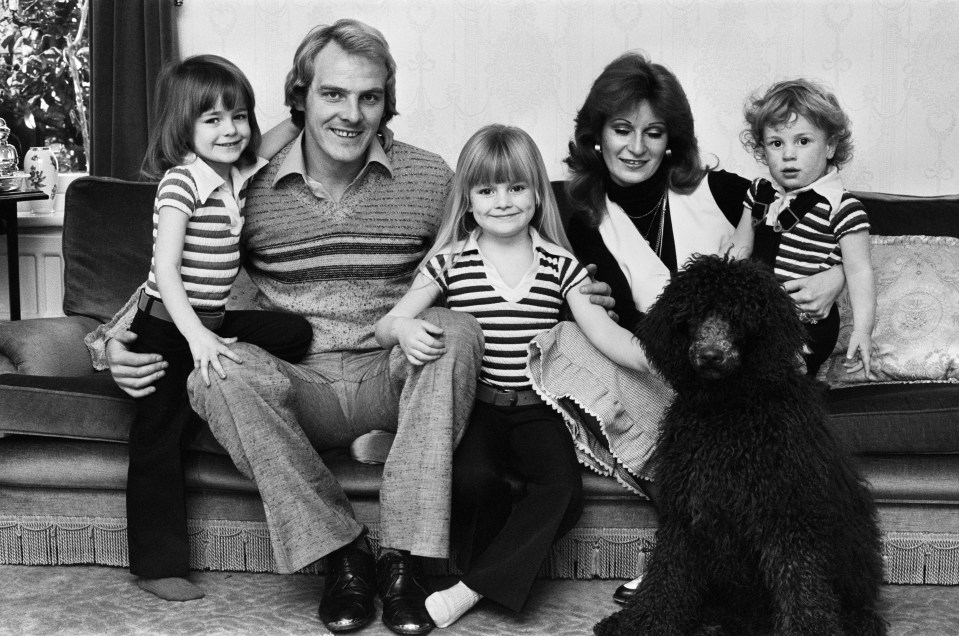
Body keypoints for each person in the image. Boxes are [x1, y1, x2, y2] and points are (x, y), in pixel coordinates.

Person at [88, 19, 614, 635]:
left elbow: (498, 242)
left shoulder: (427, 178)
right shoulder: (245, 181)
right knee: (217, 376)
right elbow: (172, 270)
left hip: (394, 373)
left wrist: (575, 292)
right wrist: (109, 344)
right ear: (300, 96)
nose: (351, 113)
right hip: (298, 381)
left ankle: (403, 559)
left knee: (457, 331)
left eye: (369, 97)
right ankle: (344, 554)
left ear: (387, 104)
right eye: (333, 94)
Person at [527, 51, 849, 603]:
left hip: (757, 359)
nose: (636, 147)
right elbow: (591, 307)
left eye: (654, 132)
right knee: (572, 343)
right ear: (596, 135)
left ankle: (707, 564)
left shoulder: (723, 189)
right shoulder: (574, 212)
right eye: (622, 129)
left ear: (672, 139)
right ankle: (694, 554)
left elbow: (817, 229)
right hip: (665, 363)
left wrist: (837, 276)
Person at [375, 125, 650, 628]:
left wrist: (662, 362)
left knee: (563, 492)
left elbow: (606, 337)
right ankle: (480, 575)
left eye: (516, 188)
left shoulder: (560, 265)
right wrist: (406, 327)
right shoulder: (450, 261)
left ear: (537, 194)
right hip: (478, 405)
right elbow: (386, 324)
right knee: (473, 478)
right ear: (468, 200)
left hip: (537, 408)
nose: (502, 202)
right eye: (487, 190)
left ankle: (468, 589)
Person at [126, 54, 313, 602]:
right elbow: (164, 270)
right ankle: (158, 566)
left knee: (294, 334)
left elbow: (277, 137)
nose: (231, 129)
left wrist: (303, 104)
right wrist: (198, 337)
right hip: (167, 326)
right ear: (184, 126)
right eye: (213, 119)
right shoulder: (181, 184)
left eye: (239, 115)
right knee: (158, 438)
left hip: (210, 321)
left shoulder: (233, 173)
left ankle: (224, 378)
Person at [729, 78, 876, 380]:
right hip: (759, 315)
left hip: (808, 323)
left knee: (776, 376)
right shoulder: (759, 192)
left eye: (803, 141)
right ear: (762, 149)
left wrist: (862, 329)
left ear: (830, 145)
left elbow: (860, 270)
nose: (788, 155)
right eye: (776, 143)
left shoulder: (842, 206)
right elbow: (740, 248)